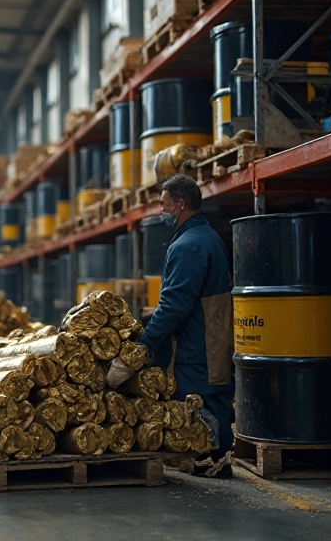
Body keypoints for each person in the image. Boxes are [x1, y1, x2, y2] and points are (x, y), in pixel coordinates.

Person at [137, 174, 235, 477]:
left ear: (180, 205)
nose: (160, 210)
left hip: (199, 341)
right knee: (213, 393)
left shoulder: (189, 246)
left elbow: (174, 305)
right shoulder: (202, 236)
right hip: (209, 334)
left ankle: (214, 459)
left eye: (163, 204)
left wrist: (144, 344)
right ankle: (215, 458)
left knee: (199, 397)